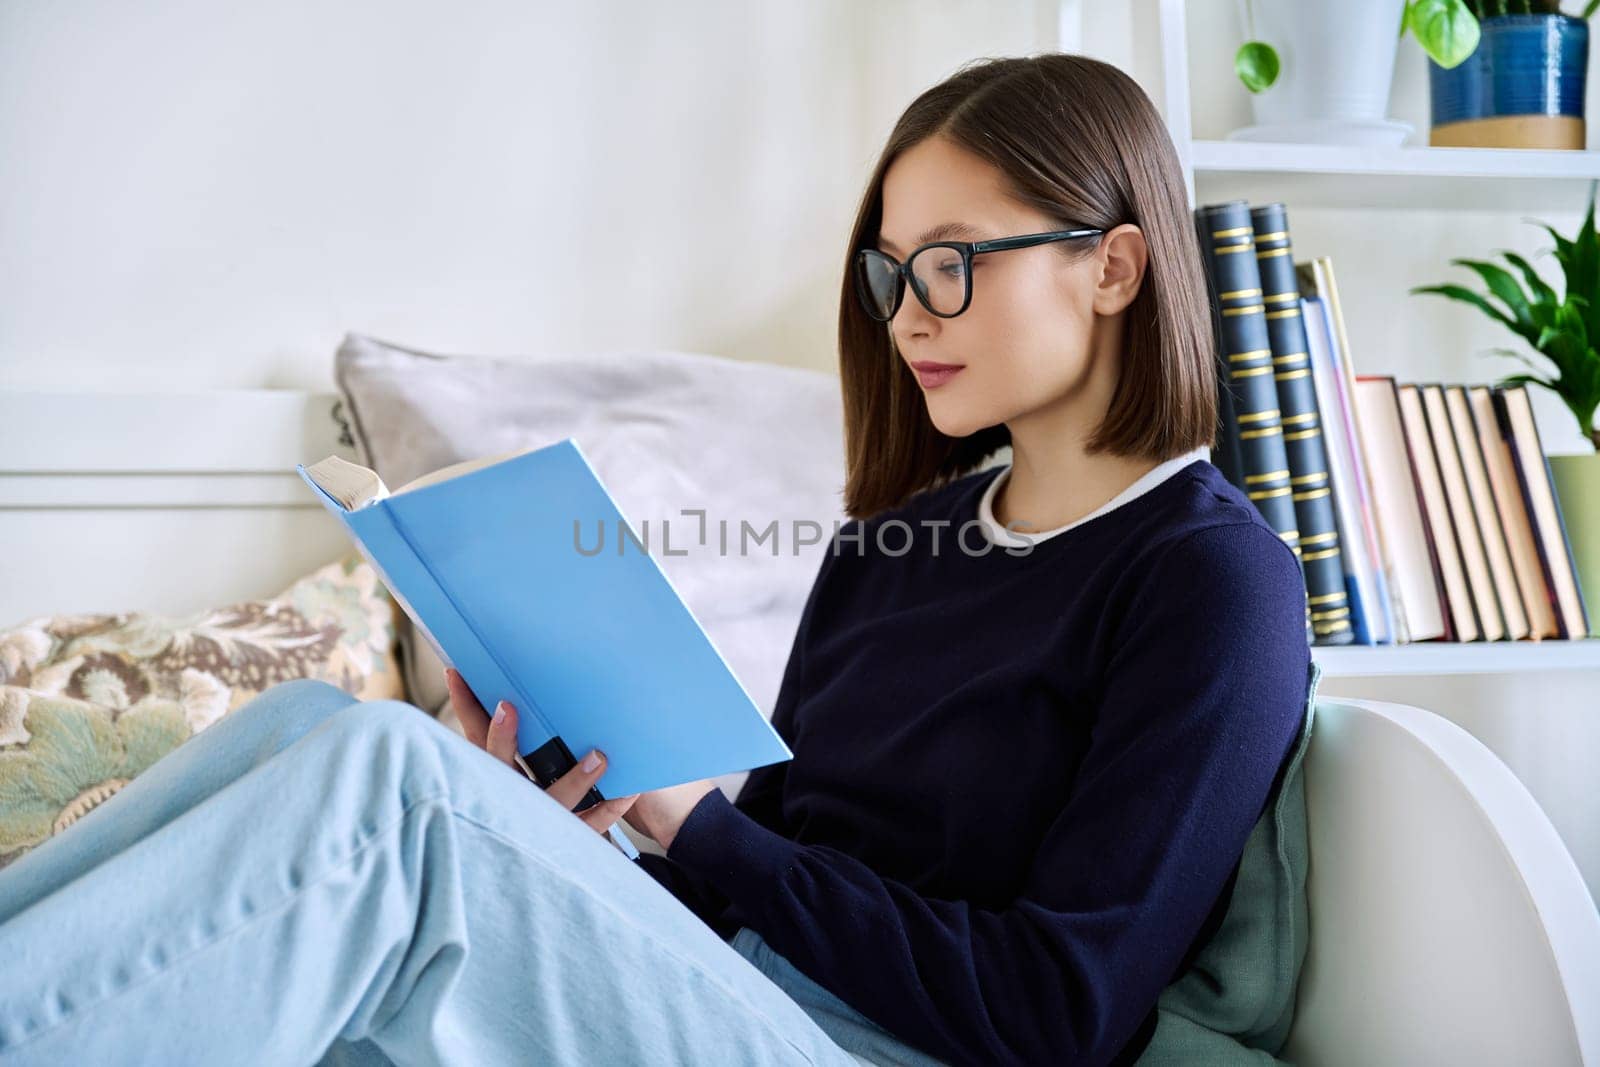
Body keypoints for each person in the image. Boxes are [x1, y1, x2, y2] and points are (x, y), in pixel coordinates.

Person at [0, 52, 1313, 1066]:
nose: (909, 318)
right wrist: (586, 826)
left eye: (955, 268)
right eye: (893, 275)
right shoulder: (896, 548)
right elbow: (766, 881)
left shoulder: (1210, 581)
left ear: (1115, 268)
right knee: (312, 727)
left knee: (390, 784)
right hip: (739, 999)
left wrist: (707, 829)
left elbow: (1059, 1013)